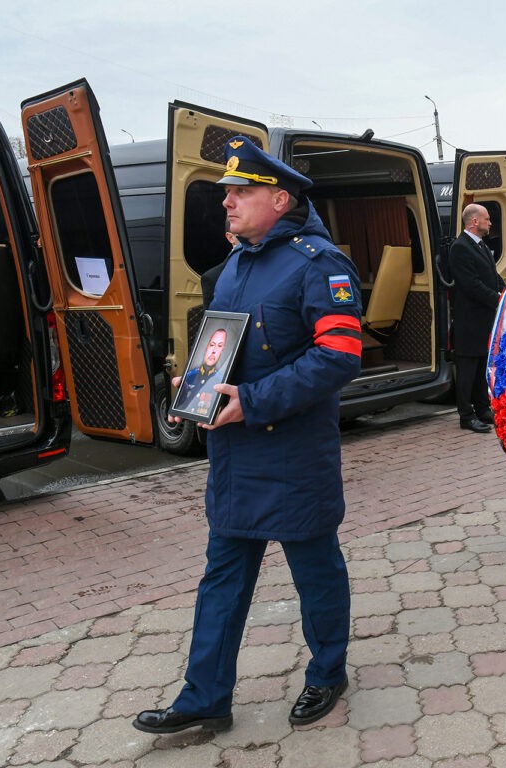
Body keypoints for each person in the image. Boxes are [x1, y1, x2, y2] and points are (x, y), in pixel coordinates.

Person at [134, 136, 363, 735]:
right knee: (222, 578)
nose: (227, 202)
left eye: (240, 191)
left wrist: (253, 400)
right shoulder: (236, 263)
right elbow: (223, 344)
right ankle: (205, 696)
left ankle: (328, 672)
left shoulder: (321, 264)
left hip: (293, 454)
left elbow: (339, 355)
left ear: (280, 200)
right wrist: (197, 386)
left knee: (315, 572)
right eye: (227, 192)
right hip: (236, 454)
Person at [450, 203, 505, 433]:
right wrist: (497, 299)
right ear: (474, 222)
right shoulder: (460, 247)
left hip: (484, 319)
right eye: (487, 219)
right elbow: (471, 284)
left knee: (482, 364)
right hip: (469, 320)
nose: (490, 223)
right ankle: (466, 415)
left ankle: (483, 409)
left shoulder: (480, 245)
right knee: (467, 370)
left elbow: (492, 275)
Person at [175, 327, 229, 421]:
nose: (214, 350)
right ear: (207, 347)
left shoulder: (221, 381)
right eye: (212, 345)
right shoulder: (190, 376)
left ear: (222, 351)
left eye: (219, 346)